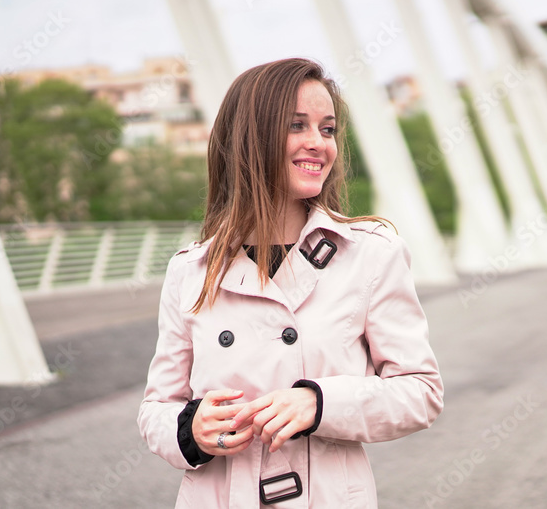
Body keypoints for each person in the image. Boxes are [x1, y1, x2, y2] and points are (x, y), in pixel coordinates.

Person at [138, 58, 444, 508]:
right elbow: (156, 409)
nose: (318, 143)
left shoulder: (371, 253)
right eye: (297, 125)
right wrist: (191, 429)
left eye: (327, 129)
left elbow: (420, 391)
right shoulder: (191, 270)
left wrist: (319, 404)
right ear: (249, 138)